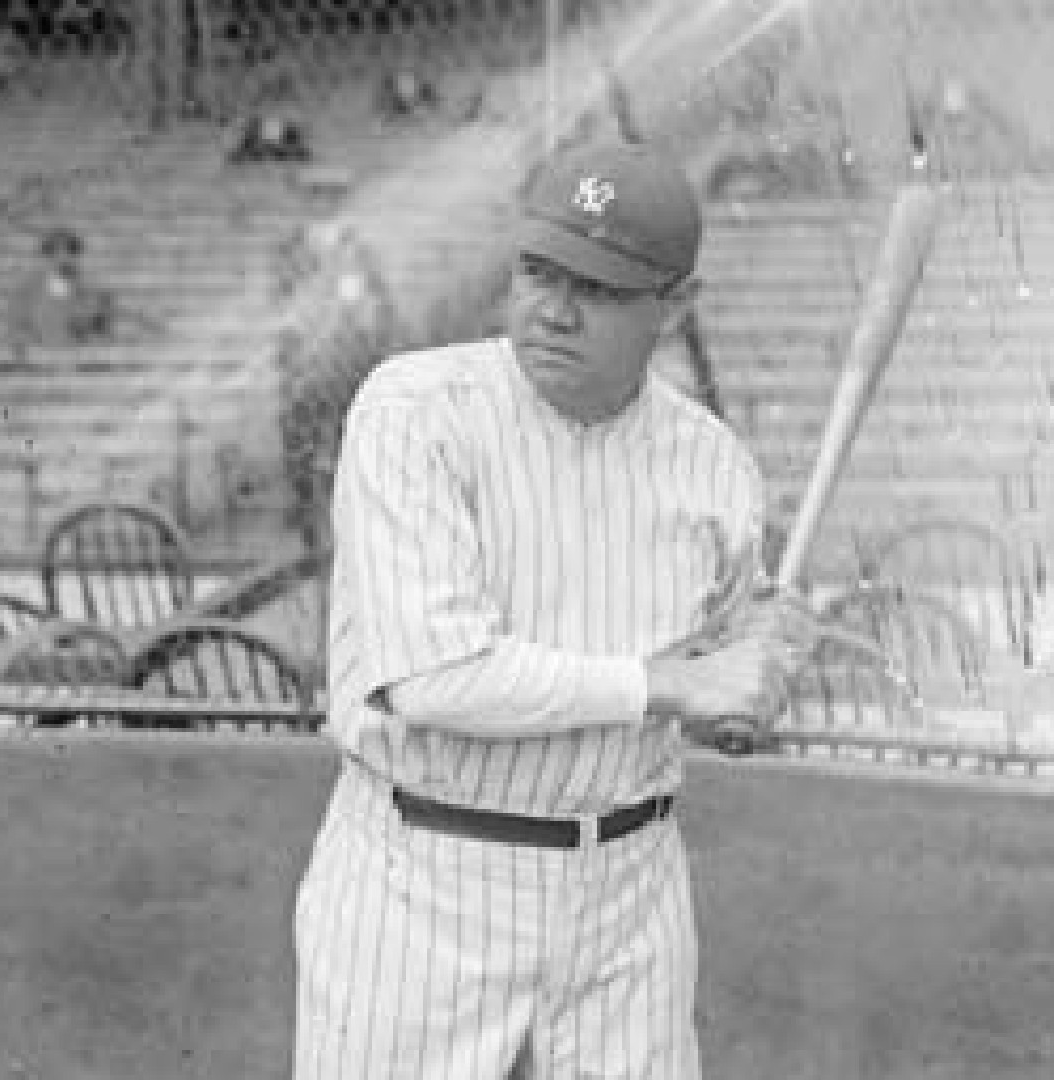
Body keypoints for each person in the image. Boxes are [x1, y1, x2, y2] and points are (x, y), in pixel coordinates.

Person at [293, 141, 814, 1079]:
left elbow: (726, 674)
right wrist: (676, 684)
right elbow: (438, 678)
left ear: (675, 307)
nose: (555, 311)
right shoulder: (414, 412)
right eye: (539, 271)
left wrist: (760, 666)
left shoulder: (713, 463)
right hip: (425, 886)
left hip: (629, 894)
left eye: (603, 288)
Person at [3, 226, 160, 358]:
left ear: (78, 257)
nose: (63, 258)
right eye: (55, 253)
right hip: (43, 363)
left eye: (71, 252)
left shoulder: (96, 295)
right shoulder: (25, 295)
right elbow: (16, 333)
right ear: (45, 257)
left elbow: (109, 326)